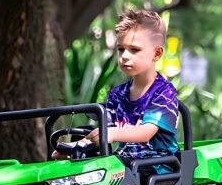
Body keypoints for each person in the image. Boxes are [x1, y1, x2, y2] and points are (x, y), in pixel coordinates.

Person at [53, 9, 179, 174]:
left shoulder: (164, 91)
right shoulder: (118, 94)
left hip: (158, 167)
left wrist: (112, 133)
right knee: (88, 153)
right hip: (125, 164)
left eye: (134, 49)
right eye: (121, 49)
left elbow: (146, 132)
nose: (124, 56)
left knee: (110, 171)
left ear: (156, 54)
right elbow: (103, 133)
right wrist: (75, 147)